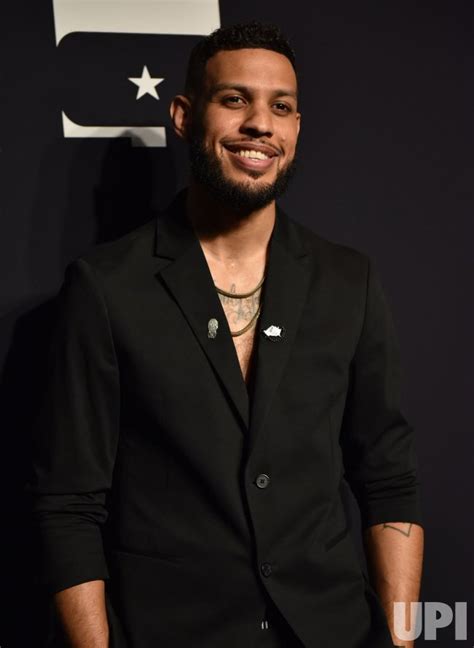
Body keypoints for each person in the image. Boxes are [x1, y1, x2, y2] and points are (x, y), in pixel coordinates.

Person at [28, 21, 424, 648]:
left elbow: (389, 480)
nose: (260, 124)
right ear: (185, 116)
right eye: (234, 100)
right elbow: (68, 508)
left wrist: (402, 640)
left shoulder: (349, 280)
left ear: (296, 127)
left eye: (282, 107)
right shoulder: (106, 288)